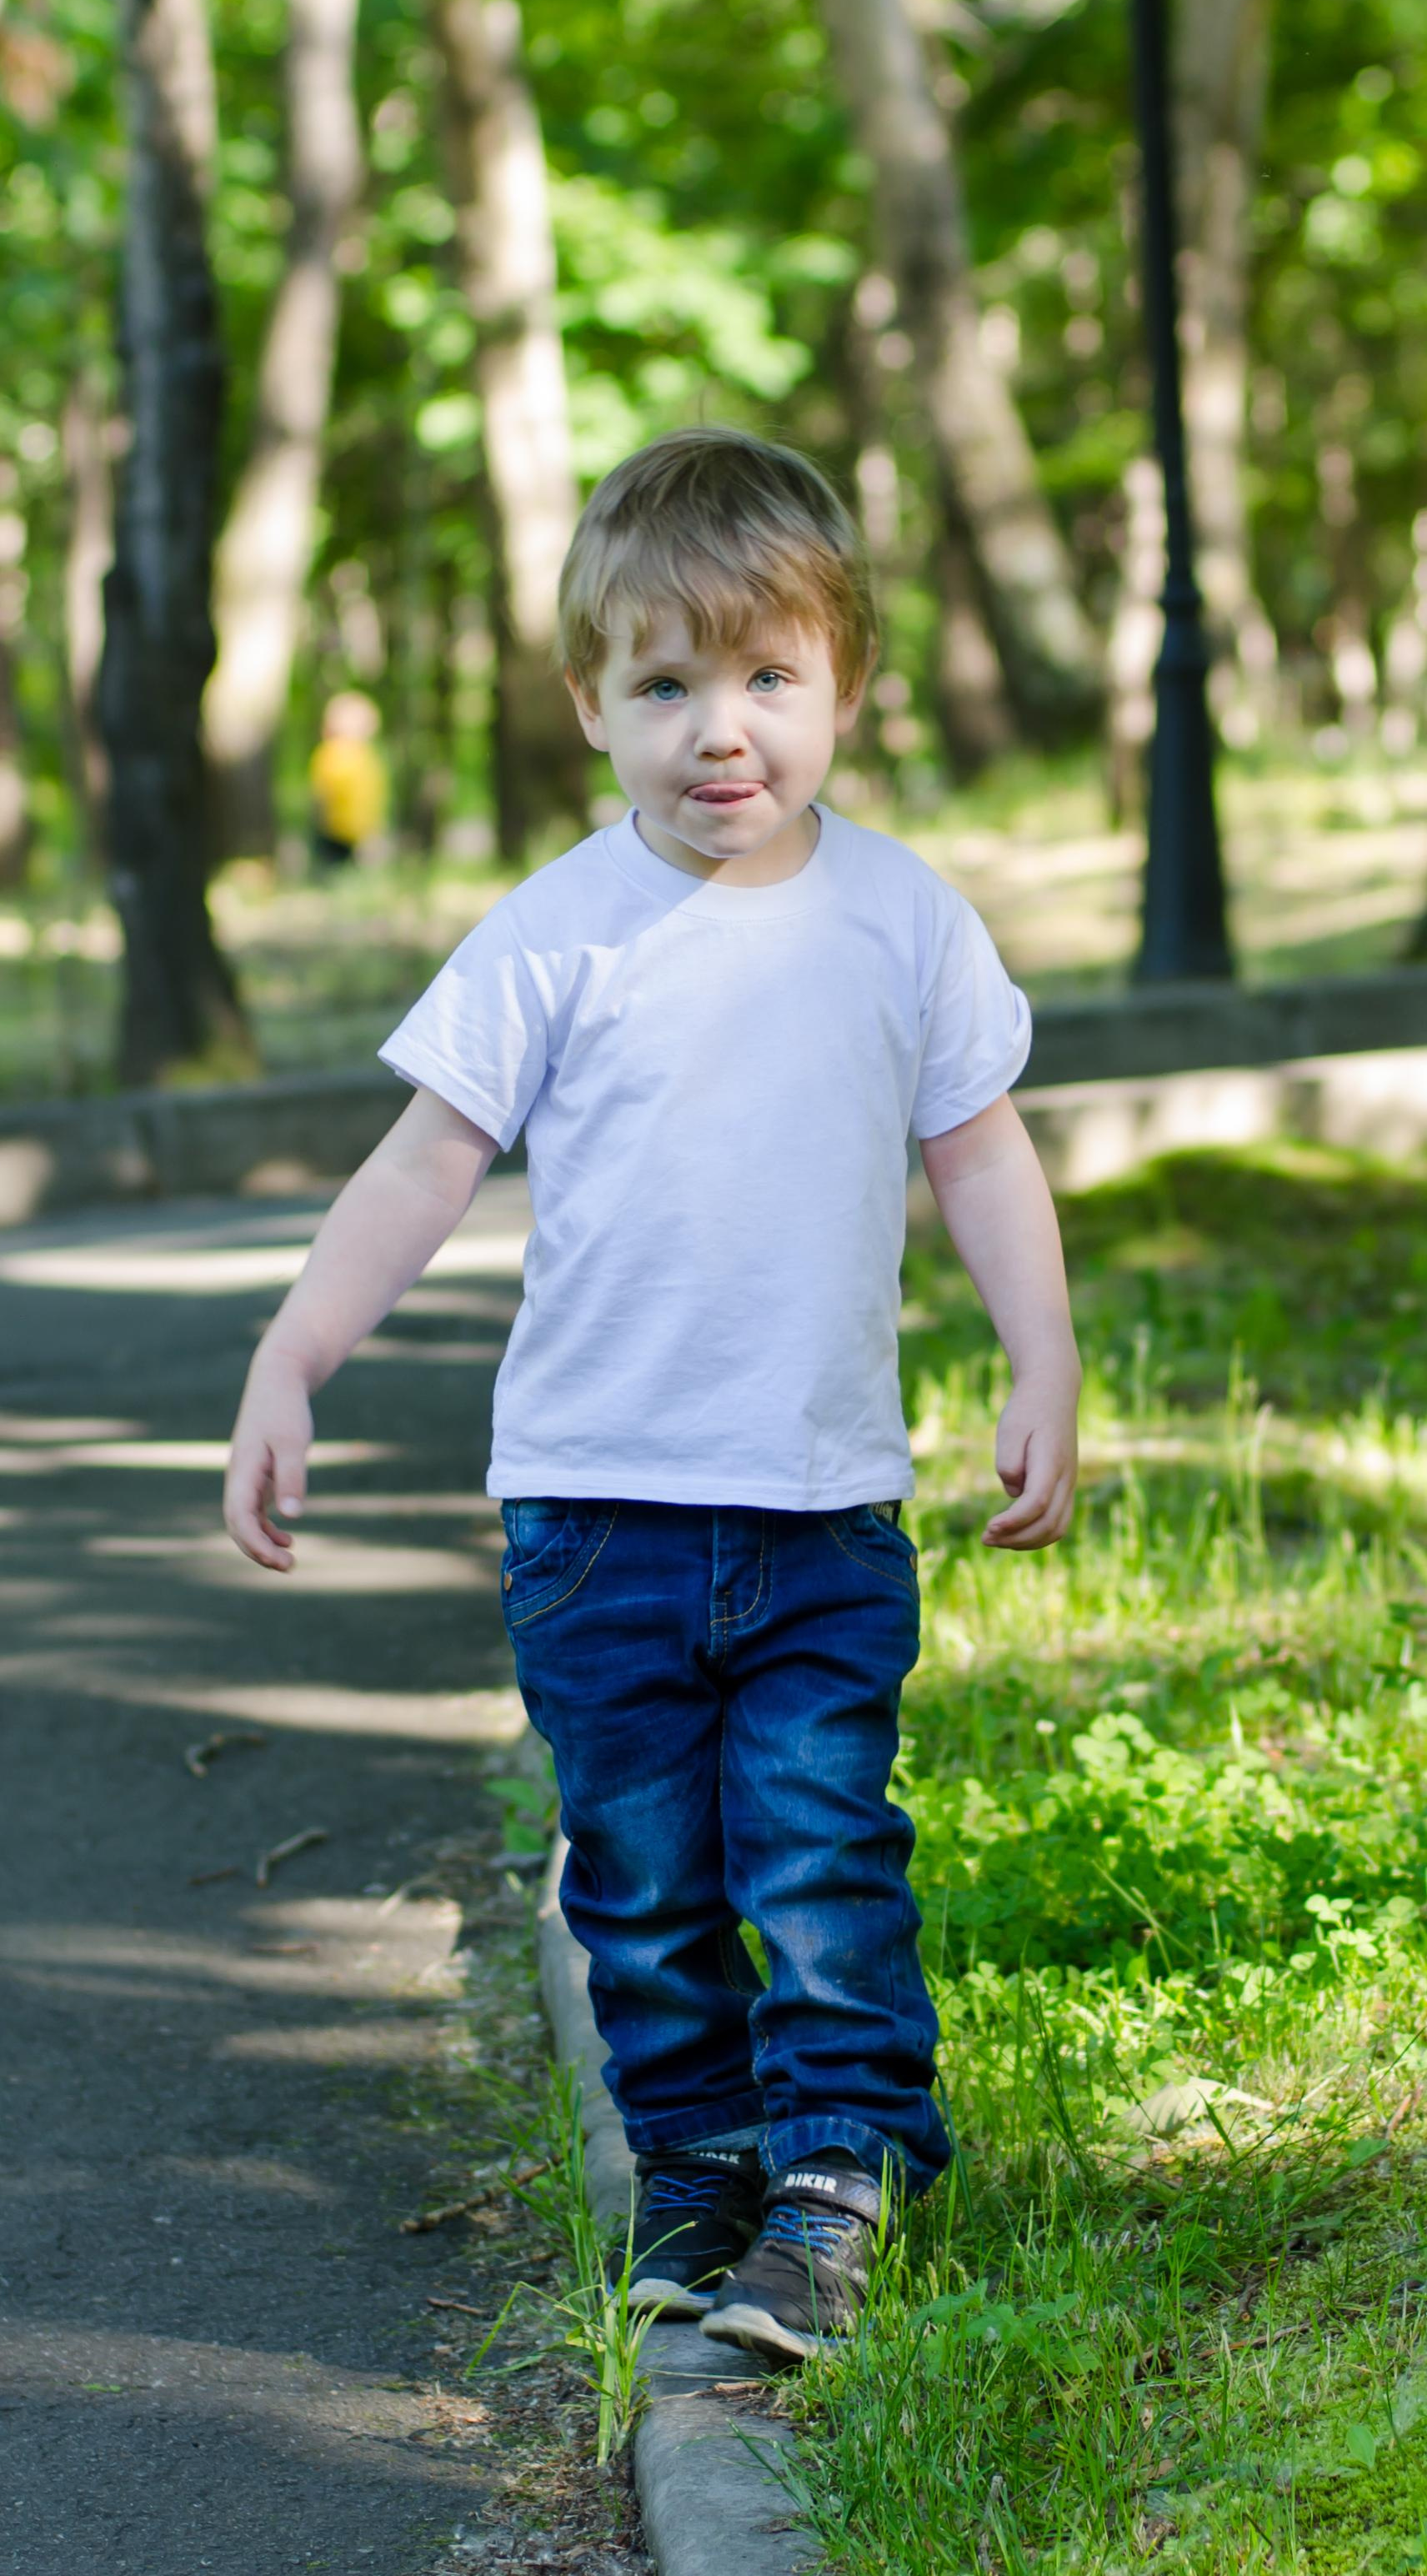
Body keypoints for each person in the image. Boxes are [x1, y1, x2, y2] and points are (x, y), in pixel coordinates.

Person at [222, 429, 1079, 2362]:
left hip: (814, 1508)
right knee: (639, 1874)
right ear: (588, 703)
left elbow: (984, 1161)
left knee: (818, 1845)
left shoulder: (906, 923)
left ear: (844, 685)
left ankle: (844, 2166)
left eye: (768, 678)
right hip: (594, 1515)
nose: (722, 730)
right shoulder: (551, 934)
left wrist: (1043, 1354)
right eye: (667, 683)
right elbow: (418, 1170)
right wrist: (293, 1355)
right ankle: (695, 2176)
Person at [308, 689, 388, 869]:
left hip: (354, 831)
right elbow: (323, 794)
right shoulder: (334, 754)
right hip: (336, 831)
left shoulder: (361, 756)